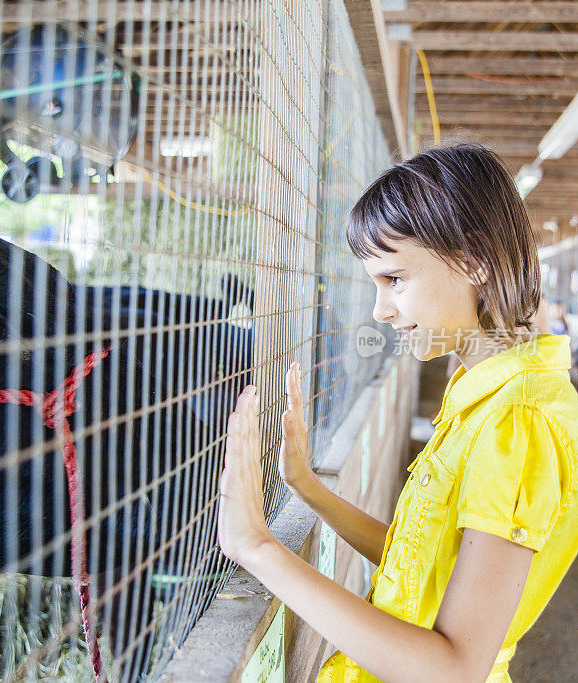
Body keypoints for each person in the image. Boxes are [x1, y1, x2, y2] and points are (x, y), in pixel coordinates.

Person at [217, 144, 578, 682]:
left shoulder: (516, 420)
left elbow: (455, 669)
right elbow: (427, 563)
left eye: (395, 280)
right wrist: (308, 487)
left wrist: (258, 547)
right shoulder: (486, 394)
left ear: (473, 259)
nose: (379, 310)